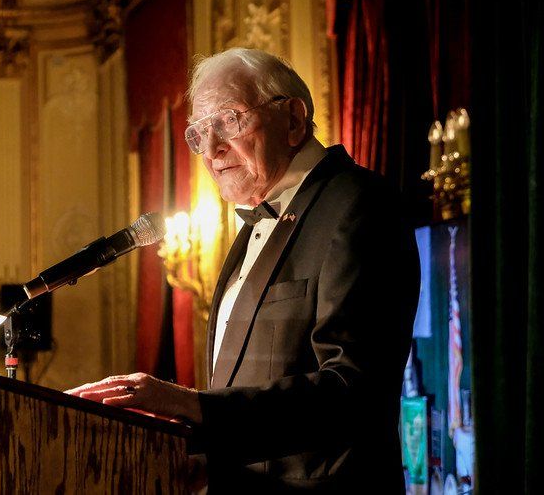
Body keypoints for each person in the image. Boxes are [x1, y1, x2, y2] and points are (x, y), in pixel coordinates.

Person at [66, 48, 420, 492]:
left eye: (229, 121)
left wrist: (191, 405)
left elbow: (353, 390)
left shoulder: (360, 205)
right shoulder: (253, 220)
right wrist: (204, 456)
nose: (211, 149)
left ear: (293, 119)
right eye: (199, 132)